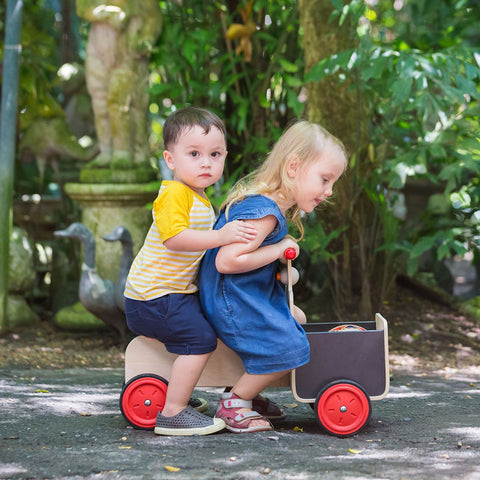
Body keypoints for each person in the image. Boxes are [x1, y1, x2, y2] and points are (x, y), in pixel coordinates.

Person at [199, 120, 348, 433]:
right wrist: (279, 248)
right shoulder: (264, 211)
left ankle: (248, 390)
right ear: (294, 166)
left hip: (243, 293)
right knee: (290, 344)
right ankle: (235, 403)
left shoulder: (272, 207)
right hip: (230, 300)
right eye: (324, 178)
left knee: (298, 317)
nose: (329, 190)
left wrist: (279, 269)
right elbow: (227, 262)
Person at [124, 107, 257, 436]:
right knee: (199, 338)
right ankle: (173, 411)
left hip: (172, 293)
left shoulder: (198, 197)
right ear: (170, 159)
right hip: (153, 295)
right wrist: (221, 237)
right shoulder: (173, 194)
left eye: (215, 154)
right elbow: (174, 239)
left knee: (215, 321)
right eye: (194, 154)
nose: (206, 163)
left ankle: (186, 391)